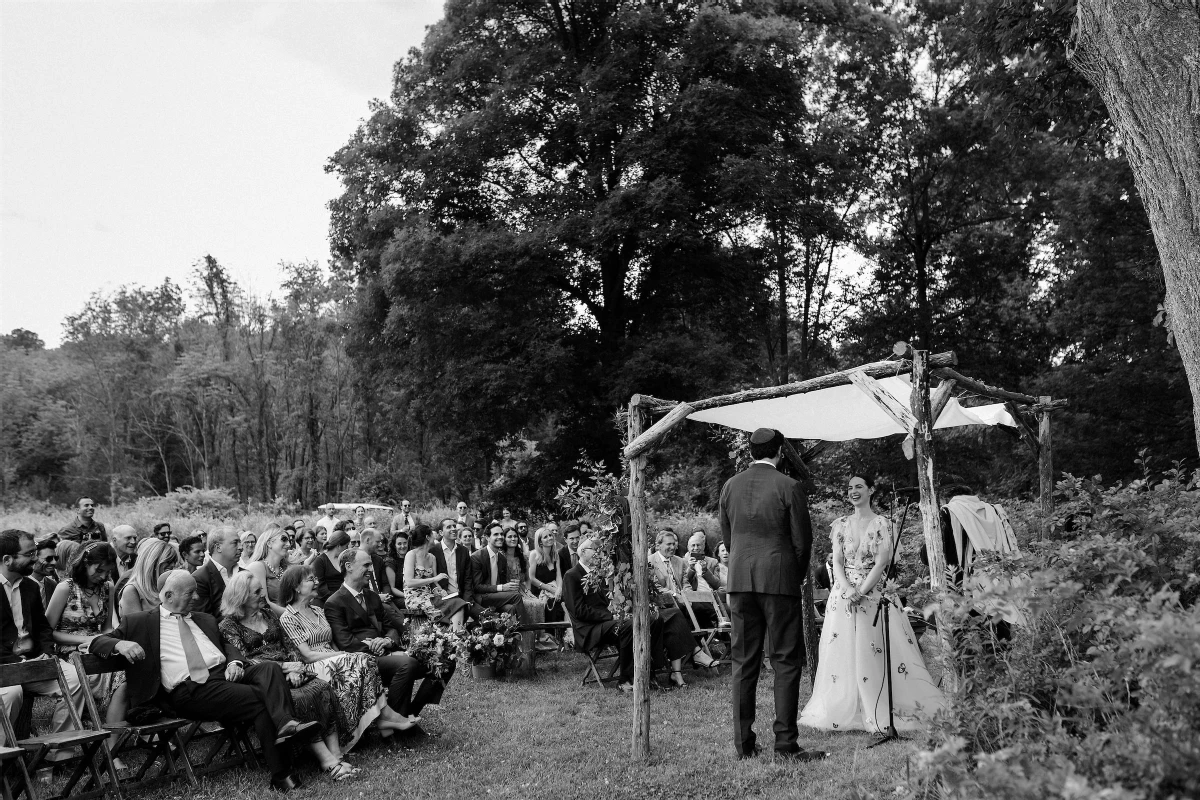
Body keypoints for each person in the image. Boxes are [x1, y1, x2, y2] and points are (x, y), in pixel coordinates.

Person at [89, 570, 318, 792]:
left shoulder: (204, 619)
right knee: (262, 702)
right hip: (191, 689)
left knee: (268, 668)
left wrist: (235, 663)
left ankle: (286, 724)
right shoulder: (138, 622)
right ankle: (283, 771)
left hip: (224, 675)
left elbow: (227, 646)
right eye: (190, 593)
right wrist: (120, 644)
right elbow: (98, 642)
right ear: (169, 596)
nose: (197, 598)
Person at [800, 475, 945, 732]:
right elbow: (837, 563)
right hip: (843, 595)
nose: (853, 491)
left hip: (873, 593)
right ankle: (845, 706)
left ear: (871, 490)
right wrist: (847, 590)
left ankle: (878, 705)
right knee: (843, 650)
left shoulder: (882, 524)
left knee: (873, 648)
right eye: (849, 488)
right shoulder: (841, 525)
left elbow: (881, 563)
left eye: (859, 487)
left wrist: (862, 591)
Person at [720, 427, 823, 761]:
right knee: (784, 660)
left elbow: (728, 535)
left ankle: (743, 744)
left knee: (743, 661)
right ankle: (785, 744)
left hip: (739, 581)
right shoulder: (789, 486)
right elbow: (802, 541)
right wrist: (796, 575)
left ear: (751, 452)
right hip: (778, 580)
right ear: (780, 451)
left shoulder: (729, 486)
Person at [218, 573, 358, 780]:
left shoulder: (268, 614)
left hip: (293, 670)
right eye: (257, 592)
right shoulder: (228, 625)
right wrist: (284, 668)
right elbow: (246, 660)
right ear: (241, 597)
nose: (262, 595)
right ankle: (327, 762)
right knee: (299, 699)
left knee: (321, 688)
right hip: (266, 680)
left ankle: (336, 753)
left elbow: (290, 646)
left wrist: (294, 668)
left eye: (261, 589)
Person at [277, 565, 418, 742]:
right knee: (359, 660)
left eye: (316, 578)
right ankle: (385, 718)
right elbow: (307, 655)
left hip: (334, 658)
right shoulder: (289, 617)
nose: (317, 582)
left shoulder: (318, 611)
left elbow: (333, 644)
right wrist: (343, 656)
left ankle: (384, 718)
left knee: (365, 660)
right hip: (314, 665)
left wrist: (344, 655)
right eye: (311, 579)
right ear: (296, 587)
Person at [324, 550, 451, 729]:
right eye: (366, 565)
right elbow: (346, 642)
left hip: (387, 650)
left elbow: (390, 627)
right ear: (349, 567)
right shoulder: (334, 602)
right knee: (407, 664)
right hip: (363, 660)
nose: (371, 569)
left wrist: (388, 641)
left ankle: (409, 713)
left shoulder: (372, 596)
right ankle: (395, 722)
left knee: (444, 660)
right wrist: (378, 648)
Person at [562, 537, 693, 690]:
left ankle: (650, 673)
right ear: (583, 552)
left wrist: (620, 610)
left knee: (654, 620)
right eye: (596, 550)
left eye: (600, 551)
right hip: (589, 629)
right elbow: (579, 611)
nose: (600, 554)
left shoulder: (601, 574)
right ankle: (624, 679)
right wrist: (611, 616)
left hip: (609, 622)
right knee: (629, 625)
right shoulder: (571, 575)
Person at [0, 530, 89, 753]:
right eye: (29, 553)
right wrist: (15, 661)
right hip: (4, 666)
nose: (35, 558)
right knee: (11, 694)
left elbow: (42, 628)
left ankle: (57, 754)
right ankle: (5, 759)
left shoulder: (30, 587)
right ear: (7, 559)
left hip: (34, 662)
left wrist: (48, 653)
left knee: (74, 679)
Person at [403, 525, 469, 629]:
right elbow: (409, 582)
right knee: (448, 607)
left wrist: (439, 589)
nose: (435, 537)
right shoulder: (411, 555)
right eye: (432, 535)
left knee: (459, 602)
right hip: (415, 597)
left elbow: (434, 582)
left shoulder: (432, 557)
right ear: (428, 537)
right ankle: (450, 633)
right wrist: (434, 579)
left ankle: (456, 634)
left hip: (430, 595)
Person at [467, 523, 528, 621]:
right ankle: (527, 630)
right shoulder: (476, 557)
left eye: (501, 534)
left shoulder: (502, 558)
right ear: (487, 537)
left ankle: (513, 635)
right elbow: (477, 587)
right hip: (482, 597)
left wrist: (508, 586)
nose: (500, 537)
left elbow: (503, 582)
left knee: (510, 608)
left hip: (496, 597)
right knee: (516, 596)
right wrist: (502, 587)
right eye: (495, 534)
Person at [118, 537, 182, 620]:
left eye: (174, 563)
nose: (172, 567)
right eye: (168, 563)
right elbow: (136, 628)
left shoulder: (168, 586)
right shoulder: (133, 590)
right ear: (153, 564)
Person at [192, 526, 242, 618]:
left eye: (240, 542)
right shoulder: (199, 579)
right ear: (218, 547)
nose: (241, 547)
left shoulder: (246, 574)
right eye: (235, 543)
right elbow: (204, 620)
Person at [528, 527, 565, 648]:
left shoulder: (556, 554)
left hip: (555, 587)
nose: (549, 538)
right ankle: (550, 639)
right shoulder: (534, 554)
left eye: (550, 535)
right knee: (551, 603)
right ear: (539, 542)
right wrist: (550, 589)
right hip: (539, 590)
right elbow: (532, 578)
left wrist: (559, 589)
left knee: (565, 600)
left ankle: (566, 637)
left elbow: (559, 575)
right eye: (545, 537)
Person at [245, 528, 292, 608]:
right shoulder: (257, 567)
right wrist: (293, 616)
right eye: (284, 539)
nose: (288, 545)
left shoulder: (286, 568)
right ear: (269, 543)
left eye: (289, 541)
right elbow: (264, 603)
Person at [434, 519, 472, 606]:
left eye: (454, 526)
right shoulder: (434, 552)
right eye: (448, 527)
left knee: (484, 614)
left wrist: (467, 600)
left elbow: (468, 578)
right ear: (441, 532)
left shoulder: (464, 551)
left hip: (462, 597)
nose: (453, 529)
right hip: (443, 599)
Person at [312, 530, 350, 605]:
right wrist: (338, 598)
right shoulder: (320, 561)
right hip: (325, 601)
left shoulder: (345, 559)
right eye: (346, 546)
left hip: (345, 599)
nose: (347, 549)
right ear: (338, 545)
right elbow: (320, 586)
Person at [31, 535, 60, 607]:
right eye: (48, 559)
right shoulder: (18, 585)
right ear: (33, 559)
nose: (54, 562)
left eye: (56, 558)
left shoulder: (53, 585)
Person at [384, 533, 409, 603]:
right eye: (399, 544)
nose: (403, 546)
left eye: (405, 543)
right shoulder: (390, 562)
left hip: (413, 593)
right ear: (394, 545)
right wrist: (407, 596)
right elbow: (393, 588)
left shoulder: (411, 558)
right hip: (399, 597)